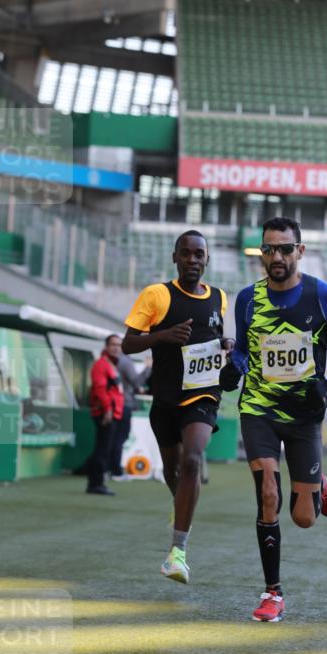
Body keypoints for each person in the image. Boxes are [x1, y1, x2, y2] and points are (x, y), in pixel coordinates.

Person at [220, 217, 327, 622]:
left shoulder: (323, 296)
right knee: (267, 491)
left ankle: (318, 482)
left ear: (300, 252)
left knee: (303, 518)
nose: (276, 256)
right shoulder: (247, 299)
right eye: (268, 249)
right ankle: (273, 593)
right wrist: (233, 368)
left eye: (285, 248)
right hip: (258, 408)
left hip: (305, 413)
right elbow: (244, 351)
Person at [122, 230, 233, 584]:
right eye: (185, 254)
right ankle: (180, 506)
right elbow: (127, 344)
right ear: (175, 257)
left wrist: (225, 342)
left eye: (198, 254)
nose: (192, 260)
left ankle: (177, 553)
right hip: (166, 398)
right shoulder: (157, 295)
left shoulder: (219, 297)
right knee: (173, 471)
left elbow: (214, 337)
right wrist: (162, 336)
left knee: (192, 460)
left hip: (203, 395)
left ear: (207, 259)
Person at [86, 334, 124, 495]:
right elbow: (100, 389)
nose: (116, 347)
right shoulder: (101, 364)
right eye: (113, 344)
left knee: (103, 449)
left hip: (112, 413)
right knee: (102, 449)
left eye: (118, 345)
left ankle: (95, 482)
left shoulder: (112, 365)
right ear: (106, 347)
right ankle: (96, 484)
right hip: (104, 413)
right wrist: (107, 410)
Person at [110, 351, 150, 479]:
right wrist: (148, 367)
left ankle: (109, 469)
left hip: (114, 404)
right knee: (119, 437)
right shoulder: (125, 361)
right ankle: (115, 471)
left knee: (114, 437)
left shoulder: (112, 361)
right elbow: (137, 382)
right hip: (122, 404)